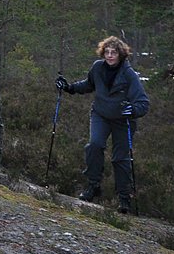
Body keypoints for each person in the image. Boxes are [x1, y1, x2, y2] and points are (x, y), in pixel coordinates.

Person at [55, 36, 149, 212]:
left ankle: (124, 198)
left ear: (121, 54)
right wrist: (69, 87)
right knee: (94, 145)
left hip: (123, 120)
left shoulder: (129, 75)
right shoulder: (97, 67)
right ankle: (93, 186)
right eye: (107, 52)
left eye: (114, 52)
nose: (110, 56)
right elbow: (88, 85)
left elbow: (143, 103)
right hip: (100, 114)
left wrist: (133, 110)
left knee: (120, 158)